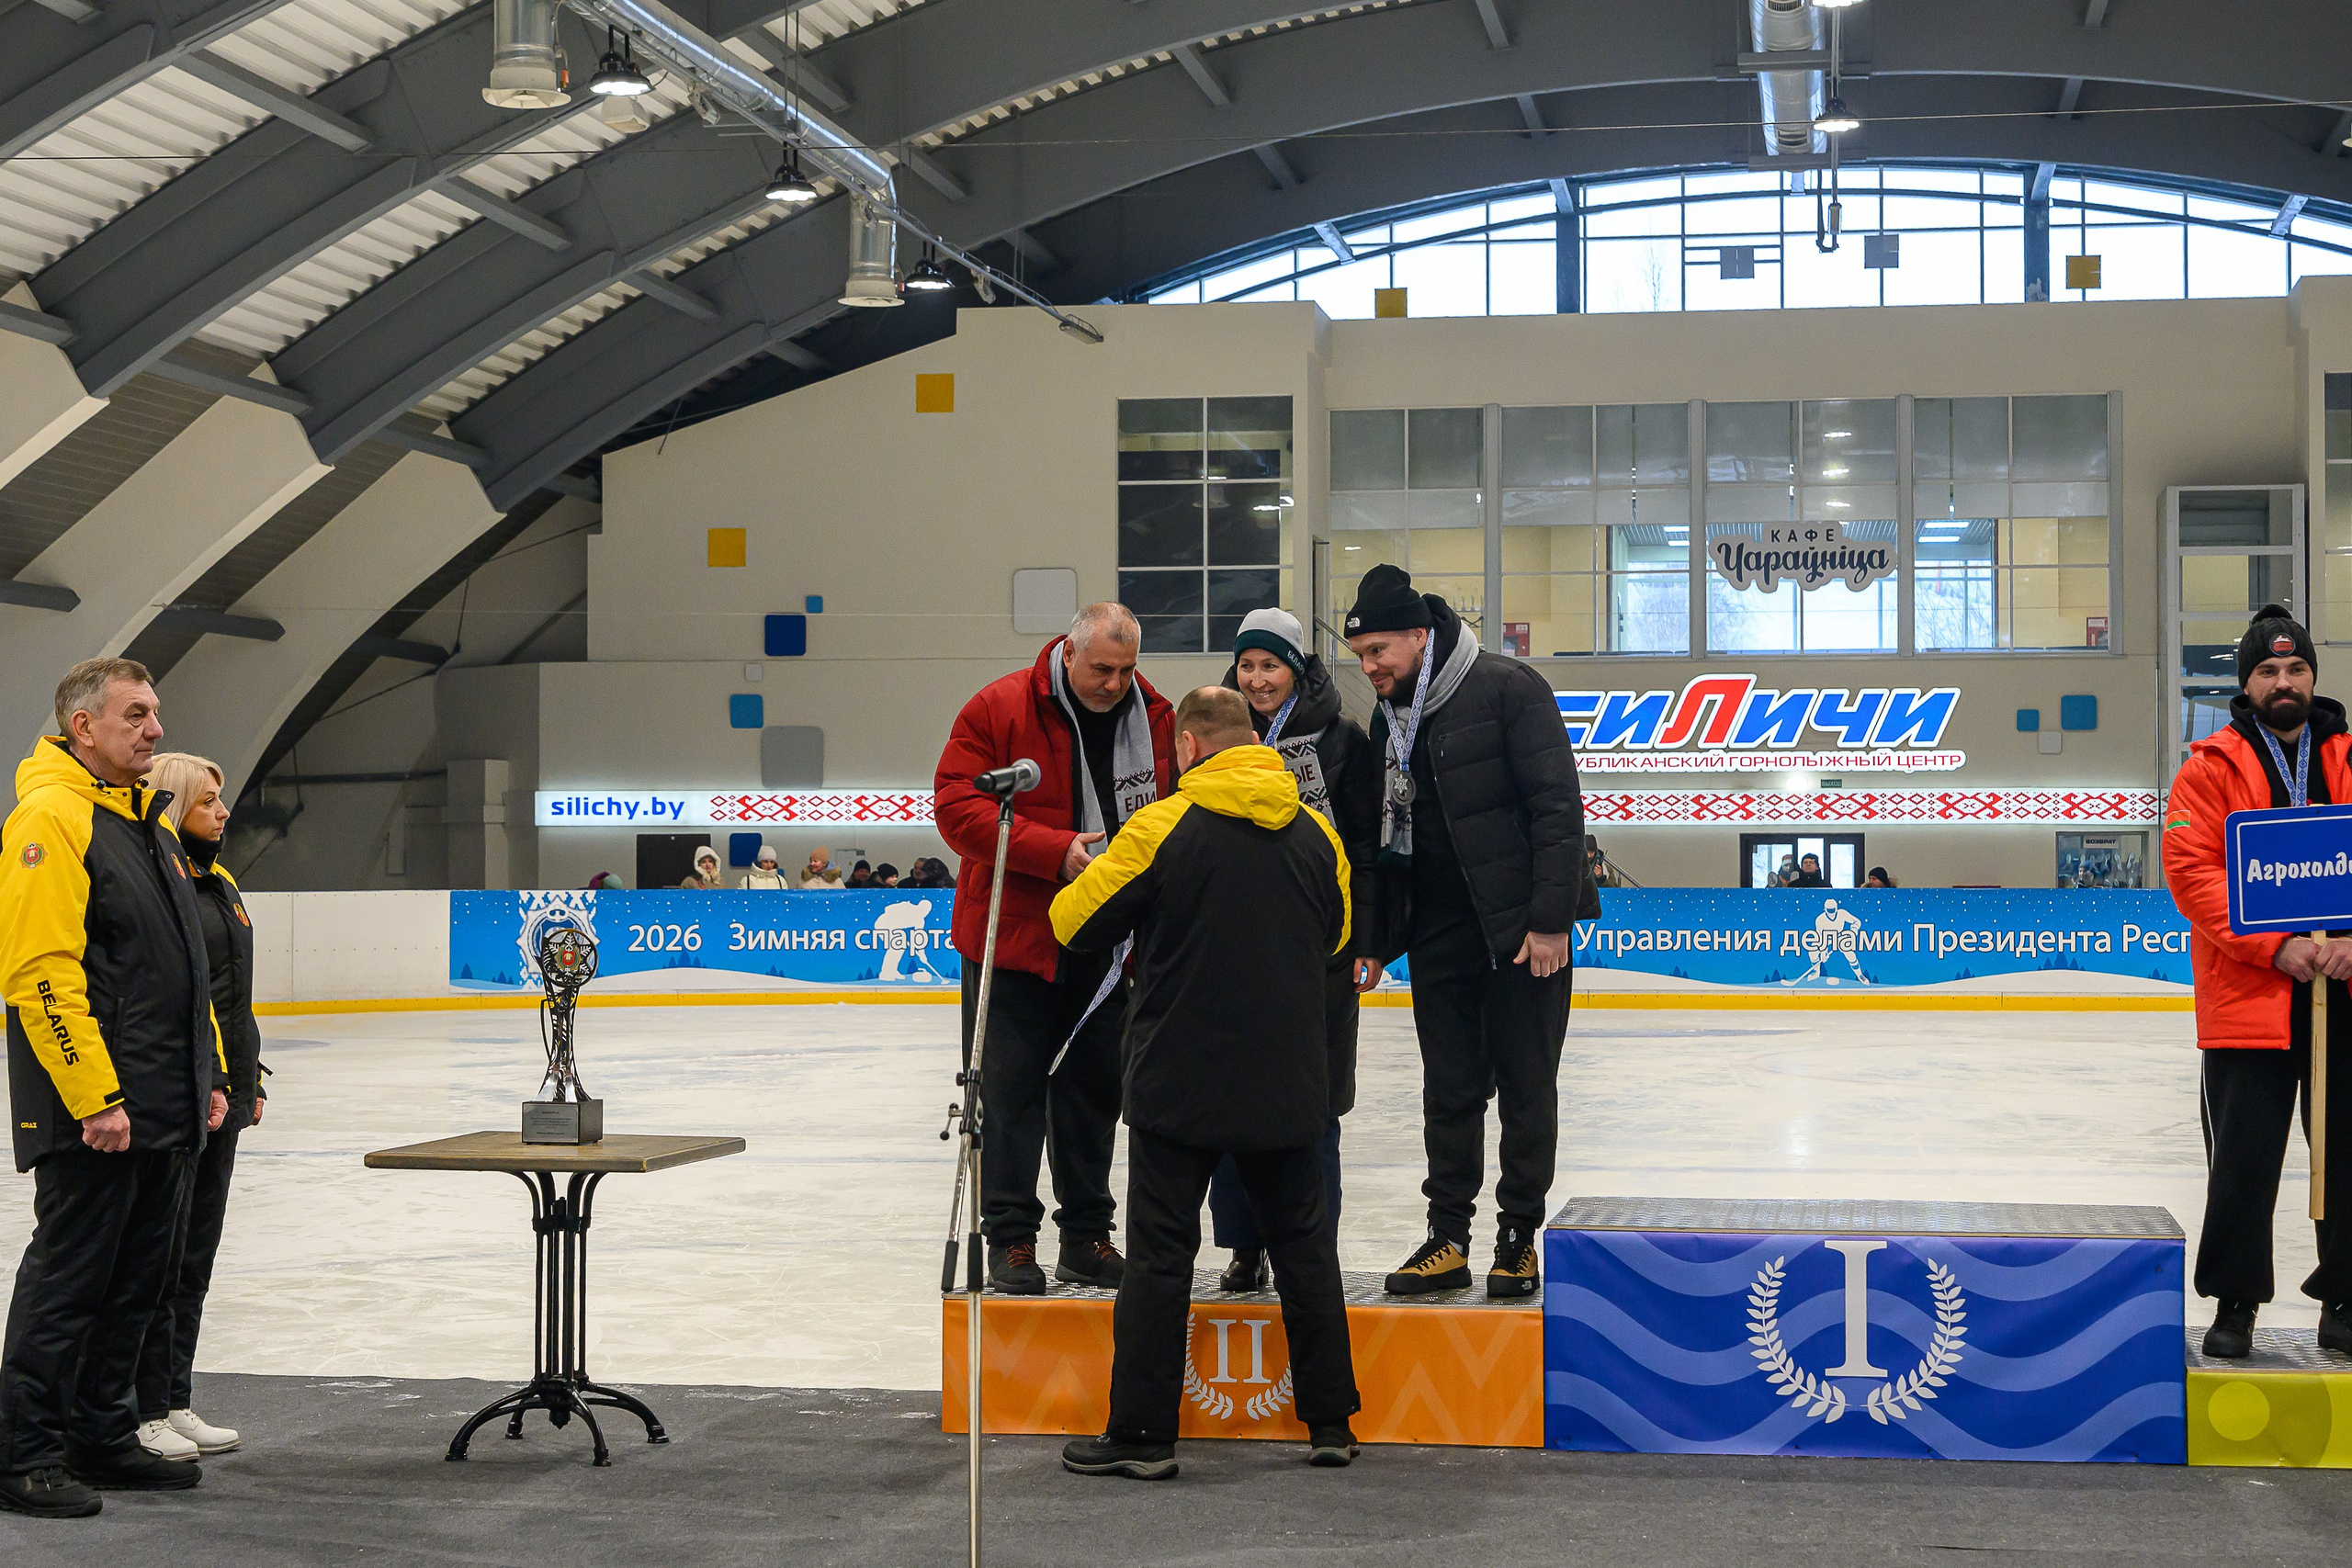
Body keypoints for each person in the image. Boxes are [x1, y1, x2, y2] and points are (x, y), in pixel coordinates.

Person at [1051, 687, 1360, 1478]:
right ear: (1254, 743)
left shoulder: (1160, 827)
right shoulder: (1317, 833)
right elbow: (1338, 933)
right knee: (1304, 1251)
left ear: (1186, 747)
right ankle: (1330, 1423)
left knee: (1160, 1257)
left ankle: (1144, 1437)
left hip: (1176, 1086)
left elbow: (1073, 922)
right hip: (1288, 1084)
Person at [1, 658, 223, 1517]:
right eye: (136, 714)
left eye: (157, 712)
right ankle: (25, 1450)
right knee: (69, 1281)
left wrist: (207, 1076)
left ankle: (102, 1431)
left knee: (138, 1282)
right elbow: (40, 973)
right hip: (99, 1109)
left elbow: (185, 968)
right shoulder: (51, 817)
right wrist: (95, 1096)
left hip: (164, 1105)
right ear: (82, 726)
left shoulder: (145, 825)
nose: (156, 729)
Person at [1342, 566, 1583, 1300]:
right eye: (1360, 655)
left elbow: (1557, 807)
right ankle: (1447, 1237)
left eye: (1379, 650)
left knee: (1525, 1087)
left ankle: (1517, 1240)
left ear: (1419, 635)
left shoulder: (1510, 689)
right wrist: (1377, 938)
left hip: (1518, 931)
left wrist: (1549, 920)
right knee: (1447, 1090)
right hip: (1441, 929)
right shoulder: (1391, 716)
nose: (1370, 667)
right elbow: (1384, 839)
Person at [933, 604, 1174, 1292]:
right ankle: (1010, 1241)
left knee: (1094, 1095)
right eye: (1102, 667)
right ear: (1069, 653)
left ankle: (1088, 1237)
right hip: (1014, 941)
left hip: (1107, 946)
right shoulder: (999, 707)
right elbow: (956, 805)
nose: (1115, 682)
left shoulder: (1153, 716)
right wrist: (1054, 850)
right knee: (1009, 1097)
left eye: (1127, 669)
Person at [2165, 604, 2352, 1358]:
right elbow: (2191, 870)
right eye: (2270, 670)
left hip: (2341, 993)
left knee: (2347, 1152)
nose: (2285, 681)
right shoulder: (2208, 765)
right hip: (2249, 998)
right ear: (2247, 683)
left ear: (2313, 676)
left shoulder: (2347, 756)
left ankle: (2344, 1298)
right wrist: (2273, 946)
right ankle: (2235, 1301)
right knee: (2243, 1158)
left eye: (2297, 668)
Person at [1208, 608, 1381, 1292]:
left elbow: (1364, 847)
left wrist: (1369, 938)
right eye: (1247, 665)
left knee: (1314, 1106)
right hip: (1233, 949)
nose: (1257, 678)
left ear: (1298, 668)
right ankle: (1245, 1245)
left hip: (1320, 952)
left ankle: (1307, 1244)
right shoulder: (1215, 732)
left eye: (1271, 664)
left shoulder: (1342, 740)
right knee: (1231, 1103)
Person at [135, 755, 261, 1463]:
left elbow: (233, 996)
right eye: (208, 801)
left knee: (197, 1257)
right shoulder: (168, 882)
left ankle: (174, 1397)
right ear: (174, 805)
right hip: (187, 1092)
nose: (222, 812)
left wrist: (252, 1076)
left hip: (227, 1092)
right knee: (164, 1254)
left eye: (221, 799)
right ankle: (144, 1403)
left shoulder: (221, 882)